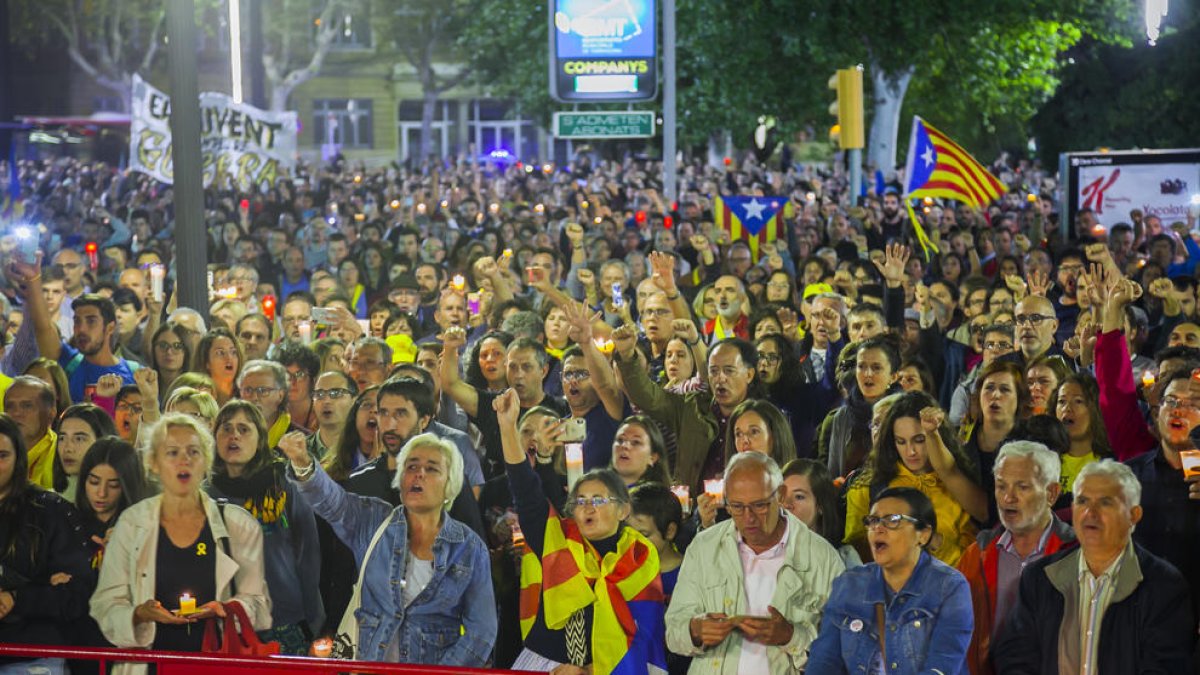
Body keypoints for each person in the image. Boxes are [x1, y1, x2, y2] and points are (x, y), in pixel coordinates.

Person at [281, 429, 497, 665]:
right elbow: (333, 501)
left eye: (432, 468)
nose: (419, 474)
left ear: (450, 485)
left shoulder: (469, 547)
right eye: (411, 467)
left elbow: (481, 632)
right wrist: (303, 464)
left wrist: (440, 674)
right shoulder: (373, 521)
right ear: (400, 479)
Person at [495, 388, 668, 673]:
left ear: (623, 510)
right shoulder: (554, 539)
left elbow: (645, 635)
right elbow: (525, 488)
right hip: (545, 666)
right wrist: (507, 427)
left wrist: (588, 671)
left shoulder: (640, 558)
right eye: (580, 501)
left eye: (599, 500)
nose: (588, 508)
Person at [90, 414, 271, 672]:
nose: (184, 460)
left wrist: (224, 609)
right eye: (172, 452)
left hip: (216, 665)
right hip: (149, 666)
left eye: (193, 452)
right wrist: (139, 614)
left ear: (207, 461)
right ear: (153, 463)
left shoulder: (238, 525)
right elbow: (105, 605)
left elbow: (259, 605)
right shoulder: (131, 524)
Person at [993, 460, 1194, 673]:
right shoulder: (1039, 578)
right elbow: (1014, 658)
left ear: (1133, 516)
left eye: (1105, 502)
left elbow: (1166, 667)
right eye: (1082, 501)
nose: (1090, 513)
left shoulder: (1164, 586)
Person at [665, 452, 843, 673]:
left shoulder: (821, 558)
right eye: (737, 507)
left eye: (759, 505)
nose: (748, 518)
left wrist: (791, 636)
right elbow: (673, 632)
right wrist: (695, 630)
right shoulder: (705, 547)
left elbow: (841, 648)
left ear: (780, 495)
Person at [807, 487, 974, 674]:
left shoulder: (949, 587)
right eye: (873, 520)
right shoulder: (849, 585)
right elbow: (823, 660)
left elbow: (943, 665)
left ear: (923, 534)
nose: (878, 528)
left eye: (892, 520)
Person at [205, 400, 324, 653]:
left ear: (260, 439)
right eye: (226, 428)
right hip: (224, 623)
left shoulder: (282, 482)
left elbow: (308, 553)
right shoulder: (204, 493)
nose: (234, 435)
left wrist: (314, 620)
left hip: (284, 621)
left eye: (244, 429)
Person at [955, 441, 1075, 675]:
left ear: (1051, 493)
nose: (1008, 497)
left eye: (1022, 487)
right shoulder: (976, 555)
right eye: (1001, 486)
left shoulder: (1075, 554)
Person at [0, 413, 93, 675]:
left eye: (2, 456)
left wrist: (17, 598)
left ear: (18, 458)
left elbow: (77, 594)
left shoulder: (50, 511)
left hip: (29, 658)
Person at [845, 392, 981, 566]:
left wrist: (936, 543)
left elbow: (973, 549)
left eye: (919, 440)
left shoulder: (956, 481)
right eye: (901, 442)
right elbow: (854, 553)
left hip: (950, 586)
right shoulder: (867, 486)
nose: (911, 451)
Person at [781, 458, 862, 569]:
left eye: (799, 497)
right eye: (782, 495)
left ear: (820, 505)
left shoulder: (844, 558)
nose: (787, 504)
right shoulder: (767, 555)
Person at [53, 403, 117, 501]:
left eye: (79, 439)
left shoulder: (118, 499)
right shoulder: (49, 501)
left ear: (102, 441)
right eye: (62, 438)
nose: (68, 448)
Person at [4, 375, 58, 489]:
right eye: (10, 406)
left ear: (51, 413)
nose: (16, 413)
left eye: (27, 406)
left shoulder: (62, 454)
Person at [610, 414, 671, 486]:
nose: (624, 446)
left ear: (652, 457)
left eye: (636, 442)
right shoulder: (598, 488)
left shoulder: (658, 496)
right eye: (620, 440)